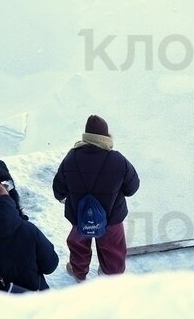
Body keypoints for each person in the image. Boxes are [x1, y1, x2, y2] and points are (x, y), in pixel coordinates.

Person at [53, 115, 140, 282]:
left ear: (86, 135)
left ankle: (79, 273)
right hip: (111, 217)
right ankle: (111, 276)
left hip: (80, 216)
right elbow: (131, 188)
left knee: (78, 246)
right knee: (113, 249)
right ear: (106, 136)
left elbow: (59, 189)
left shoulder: (71, 158)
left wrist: (66, 197)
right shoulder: (118, 160)